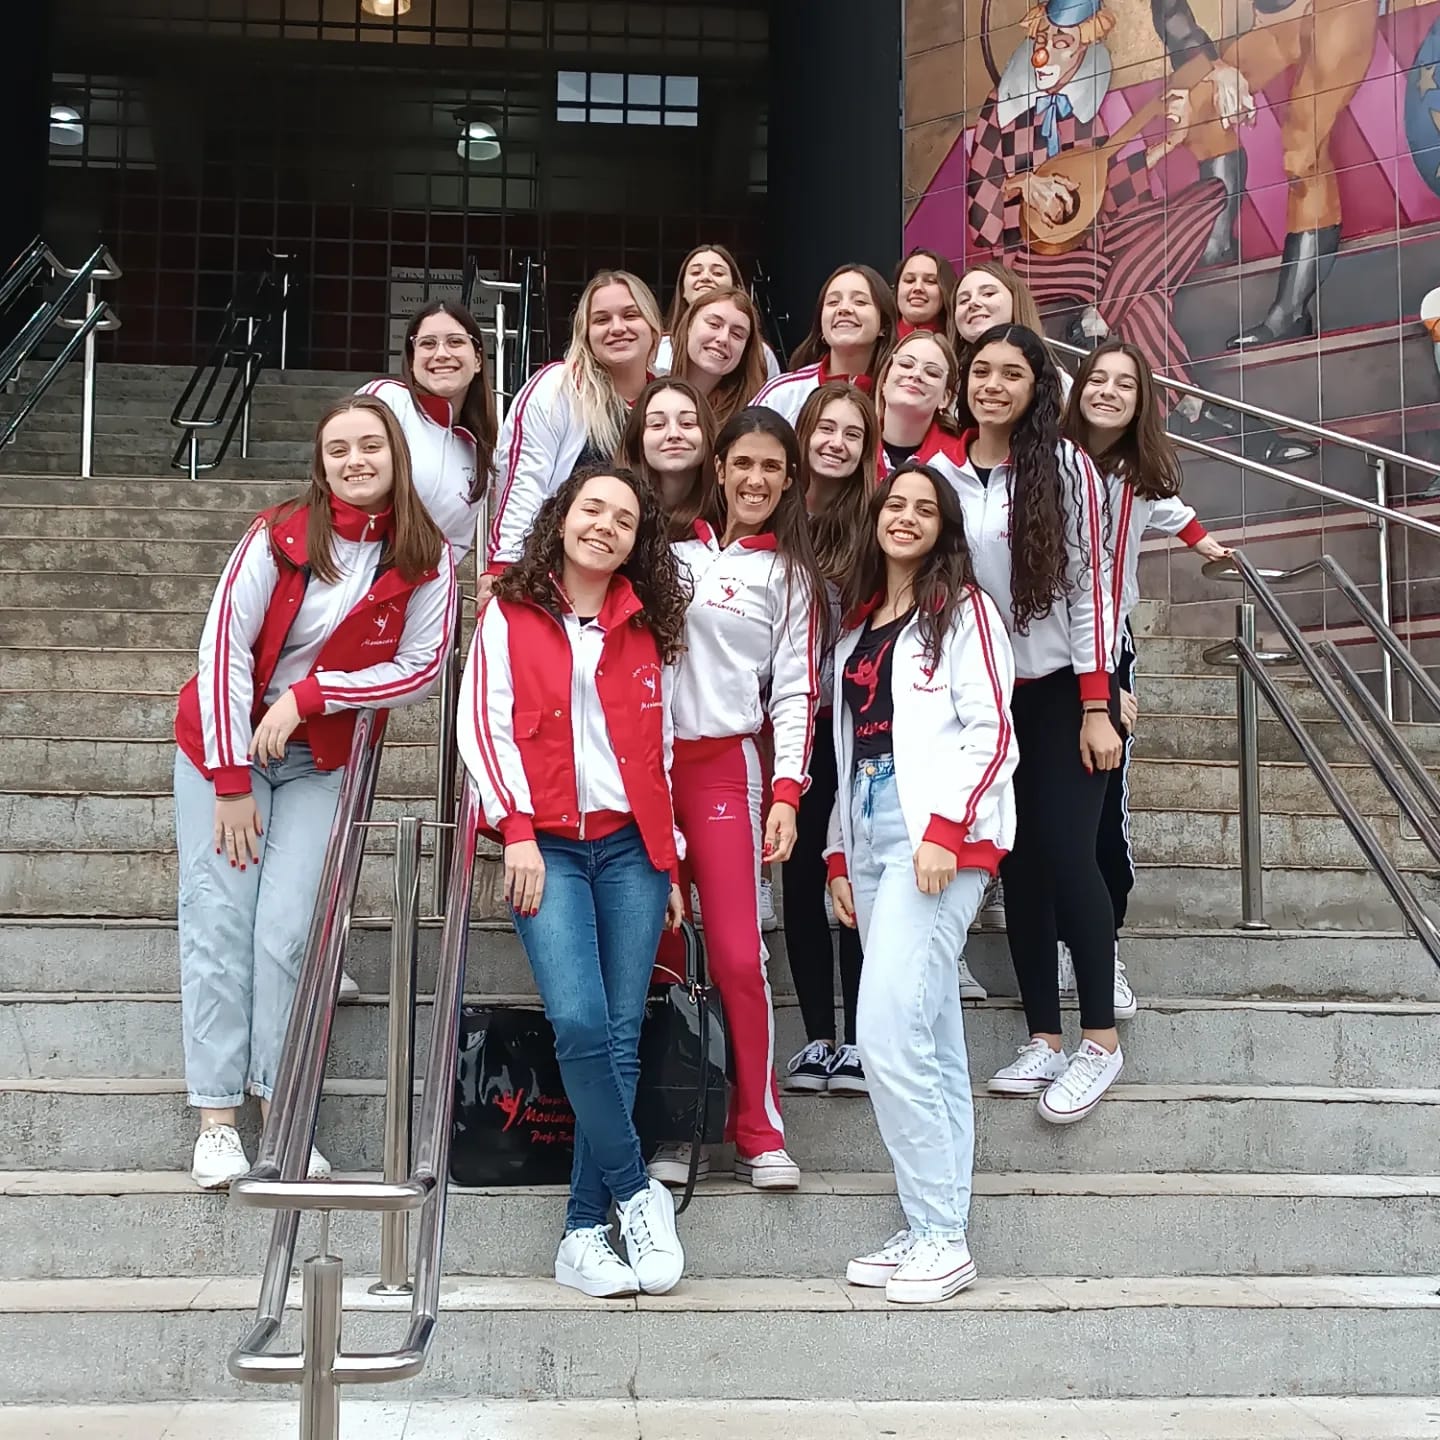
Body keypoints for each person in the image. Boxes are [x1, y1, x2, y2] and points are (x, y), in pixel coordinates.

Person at [174, 396, 457, 1189]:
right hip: (224, 750)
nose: (356, 460)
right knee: (220, 919)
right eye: (339, 450)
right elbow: (223, 648)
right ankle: (218, 1118)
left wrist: (313, 695)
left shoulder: (426, 555)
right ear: (321, 463)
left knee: (289, 931)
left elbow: (421, 666)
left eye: (371, 445)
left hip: (316, 757)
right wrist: (231, 779)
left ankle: (284, 1110)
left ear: (397, 455)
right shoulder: (279, 534)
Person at [457, 463, 691, 1299]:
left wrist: (669, 861)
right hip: (546, 846)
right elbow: (483, 728)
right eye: (593, 509)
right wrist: (515, 831)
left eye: (624, 520)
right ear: (562, 517)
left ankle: (583, 1235)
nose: (605, 527)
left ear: (636, 543)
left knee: (623, 1035)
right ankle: (634, 1192)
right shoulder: (510, 613)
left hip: (632, 850)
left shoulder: (645, 626)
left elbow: (659, 751)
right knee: (583, 1024)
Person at [826, 461, 1017, 1305]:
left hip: (937, 838)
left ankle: (942, 1235)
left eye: (923, 509)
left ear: (945, 528)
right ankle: (931, 1222)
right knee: (931, 1038)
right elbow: (852, 748)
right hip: (870, 828)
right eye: (894, 504)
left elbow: (992, 731)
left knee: (886, 1031)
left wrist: (945, 831)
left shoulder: (964, 611)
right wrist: (837, 852)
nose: (905, 517)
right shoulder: (860, 624)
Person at [947, 324, 1127, 1124]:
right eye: (981, 370)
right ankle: (1044, 1038)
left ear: (1035, 387)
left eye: (1011, 374)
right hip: (987, 697)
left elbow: (1093, 590)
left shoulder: (1065, 465)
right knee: (1017, 864)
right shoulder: (942, 472)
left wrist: (1097, 702)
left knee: (1068, 853)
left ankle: (1100, 1040)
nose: (992, 385)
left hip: (1061, 692)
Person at [651, 406, 822, 1191]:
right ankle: (677, 1124)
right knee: (662, 950)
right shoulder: (666, 551)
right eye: (742, 463)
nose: (755, 480)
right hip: (647, 772)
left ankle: (757, 1128)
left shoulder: (789, 574)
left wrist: (787, 791)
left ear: (789, 481)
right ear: (717, 468)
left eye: (771, 468)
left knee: (733, 954)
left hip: (726, 768)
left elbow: (796, 690)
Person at [1060, 338, 1229, 1002]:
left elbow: (1179, 516)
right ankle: (1046, 932)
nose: (1107, 392)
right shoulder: (1048, 461)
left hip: (1109, 646)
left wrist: (1211, 549)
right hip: (1040, 650)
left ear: (1141, 403)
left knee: (1104, 807)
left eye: (1124, 384)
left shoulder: (1138, 477)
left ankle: (1101, 945)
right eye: (1096, 379)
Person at [780, 381, 876, 1095]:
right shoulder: (777, 513)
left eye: (852, 433)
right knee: (802, 870)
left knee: (858, 870)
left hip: (862, 718)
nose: (836, 444)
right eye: (825, 429)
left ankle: (864, 1040)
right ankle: (818, 1036)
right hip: (794, 721)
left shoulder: (874, 518)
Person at [487, 270, 663, 575]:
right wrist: (505, 566)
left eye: (630, 315)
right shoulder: (560, 386)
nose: (617, 328)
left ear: (653, 327)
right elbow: (525, 481)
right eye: (602, 319)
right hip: (558, 571)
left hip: (641, 574)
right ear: (586, 333)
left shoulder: (667, 399)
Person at [358, 299, 498, 563]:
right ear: (412, 361)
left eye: (455, 342)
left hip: (422, 583)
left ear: (478, 359)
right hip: (351, 574)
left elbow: (455, 546)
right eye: (428, 343)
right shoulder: (386, 400)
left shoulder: (477, 449)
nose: (441, 354)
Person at [754, 264, 899, 425]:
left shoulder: (902, 395)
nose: (843, 309)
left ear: (884, 325)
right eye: (833, 302)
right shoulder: (782, 395)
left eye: (860, 301)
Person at [655, 243, 782, 381]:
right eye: (696, 272)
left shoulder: (762, 354)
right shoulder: (658, 347)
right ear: (682, 290)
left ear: (735, 287)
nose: (705, 277)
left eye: (718, 273)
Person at [616, 376, 717, 542]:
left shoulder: (727, 514)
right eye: (657, 424)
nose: (673, 434)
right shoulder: (616, 509)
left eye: (687, 423)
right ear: (638, 439)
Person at [668, 285, 770, 432]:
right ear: (689, 326)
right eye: (714, 324)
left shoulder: (753, 416)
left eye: (737, 334)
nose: (723, 339)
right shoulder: (652, 390)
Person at [893, 248, 957, 339]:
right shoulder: (877, 342)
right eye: (909, 280)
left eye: (930, 281)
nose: (918, 287)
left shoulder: (960, 344)